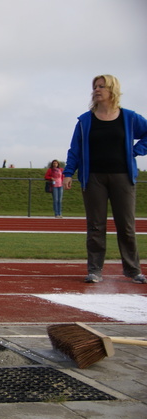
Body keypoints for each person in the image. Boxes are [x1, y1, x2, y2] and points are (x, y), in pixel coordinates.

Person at [64, 74, 147, 284]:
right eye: (95, 87)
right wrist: (68, 173)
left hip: (122, 178)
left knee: (126, 226)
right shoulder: (85, 120)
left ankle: (133, 270)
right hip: (93, 178)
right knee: (95, 226)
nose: (97, 90)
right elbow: (75, 149)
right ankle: (95, 270)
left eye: (101, 86)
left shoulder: (129, 117)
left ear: (112, 90)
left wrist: (137, 150)